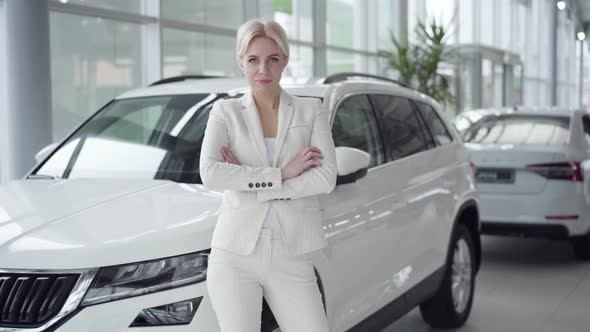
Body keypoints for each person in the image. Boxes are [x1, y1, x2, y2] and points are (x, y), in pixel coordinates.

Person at [199, 18, 337, 332]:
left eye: (272, 59)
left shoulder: (310, 110)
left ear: (285, 60)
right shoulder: (226, 112)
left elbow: (325, 177)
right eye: (253, 60)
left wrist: (250, 182)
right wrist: (282, 174)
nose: (263, 69)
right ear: (241, 62)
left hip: (292, 252)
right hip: (234, 253)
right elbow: (210, 173)